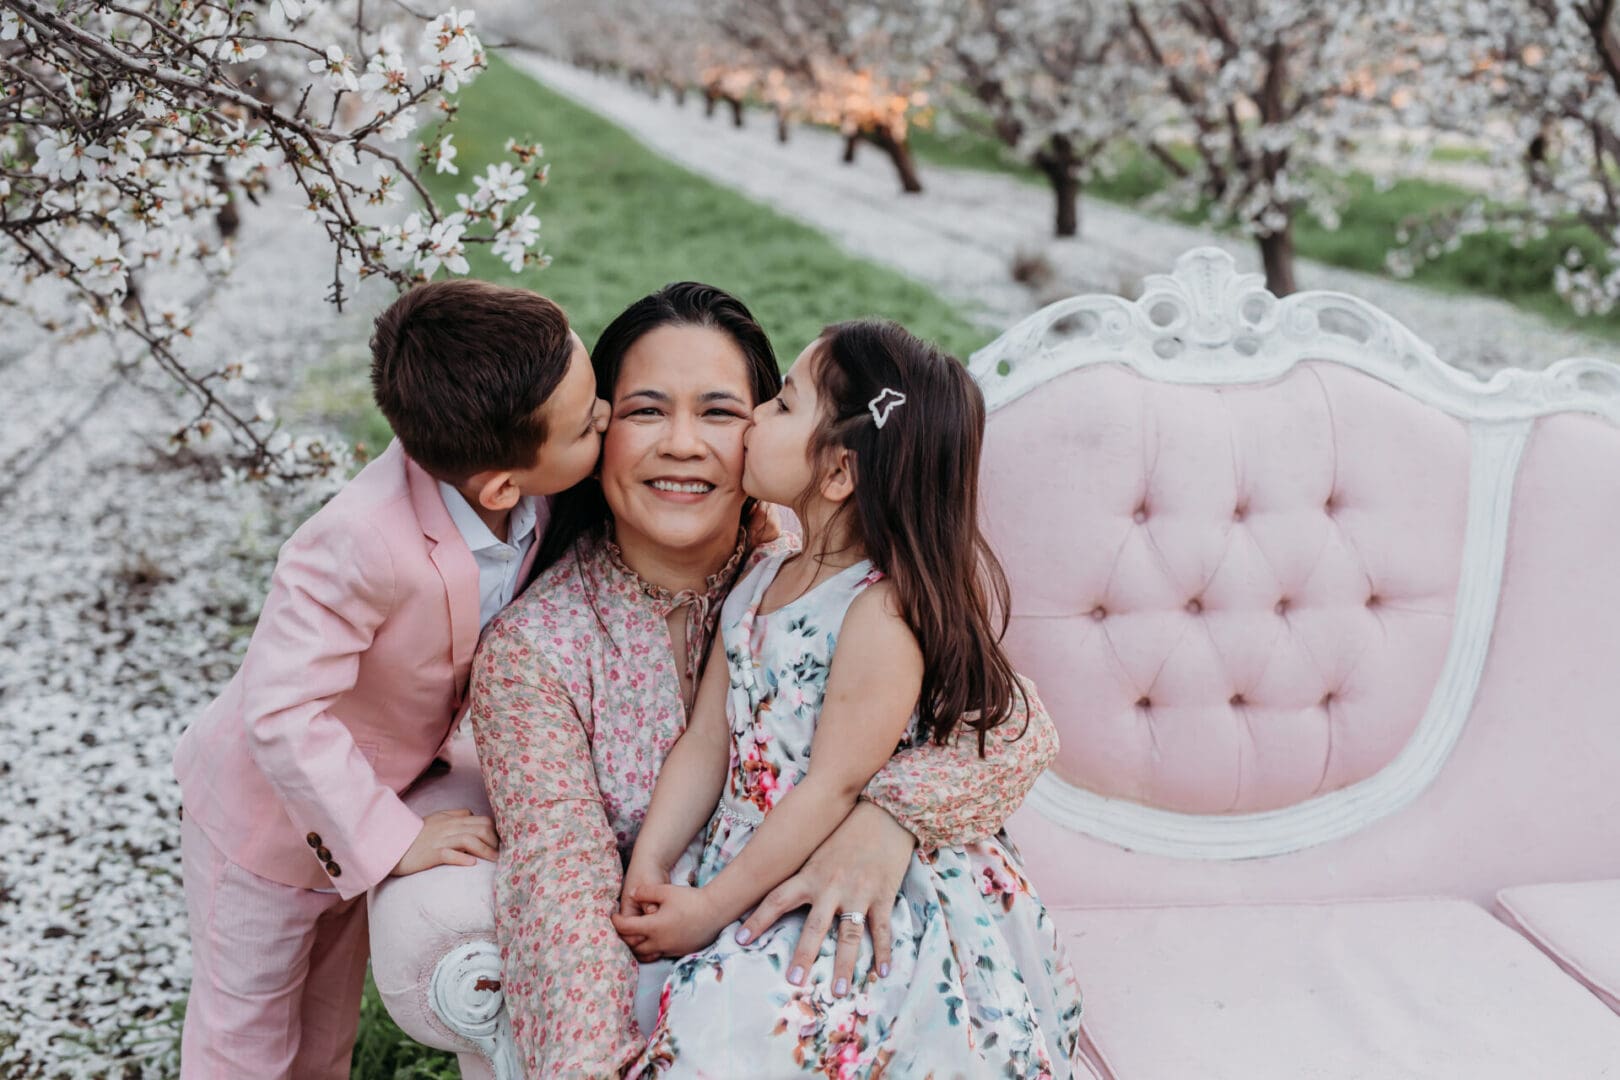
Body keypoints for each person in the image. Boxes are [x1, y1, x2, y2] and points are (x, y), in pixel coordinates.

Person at [467, 284, 1061, 1078]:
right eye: (646, 411)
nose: (684, 443)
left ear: (835, 468)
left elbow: (1006, 727)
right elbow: (562, 882)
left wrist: (887, 820)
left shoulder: (840, 582)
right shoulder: (541, 649)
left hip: (824, 908)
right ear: (596, 428)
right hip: (708, 904)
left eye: (726, 411)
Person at [615, 320, 1084, 1077]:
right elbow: (708, 737)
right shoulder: (764, 573)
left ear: (837, 473)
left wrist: (711, 909)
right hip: (748, 849)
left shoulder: (876, 612)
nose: (756, 416)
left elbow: (833, 786)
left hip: (834, 866)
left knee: (743, 1029)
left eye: (782, 405)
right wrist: (655, 859)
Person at [171, 279, 609, 1079]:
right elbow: (281, 712)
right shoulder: (358, 540)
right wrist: (392, 839)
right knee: (247, 1035)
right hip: (263, 826)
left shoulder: (520, 495)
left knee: (324, 1028)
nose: (607, 420)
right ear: (503, 485)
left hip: (372, 794)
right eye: (589, 424)